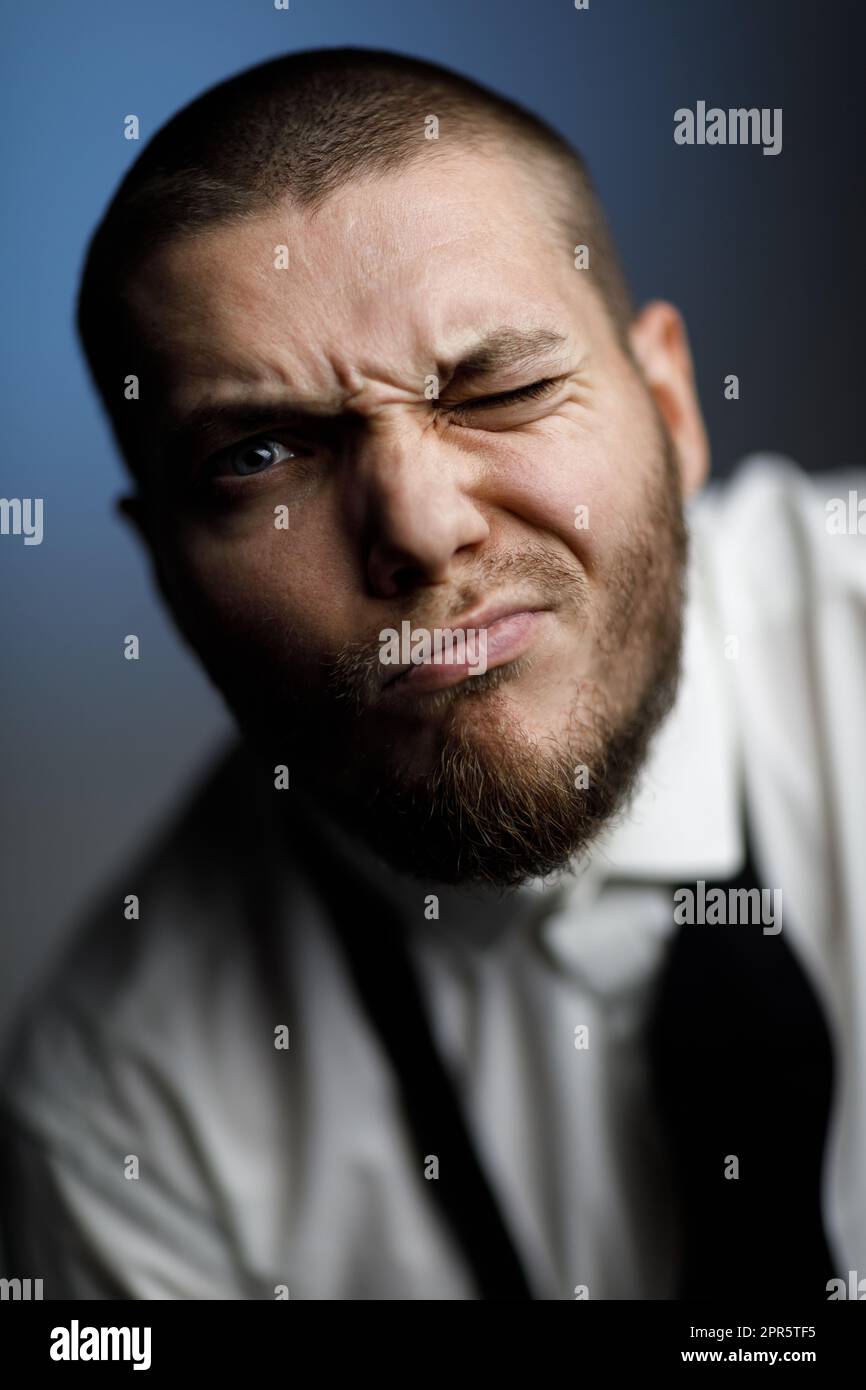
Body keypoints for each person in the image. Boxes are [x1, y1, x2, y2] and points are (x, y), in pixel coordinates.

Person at [1, 47, 864, 1301]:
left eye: (501, 387)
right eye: (256, 456)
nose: (413, 523)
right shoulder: (126, 1126)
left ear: (672, 407)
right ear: (168, 576)